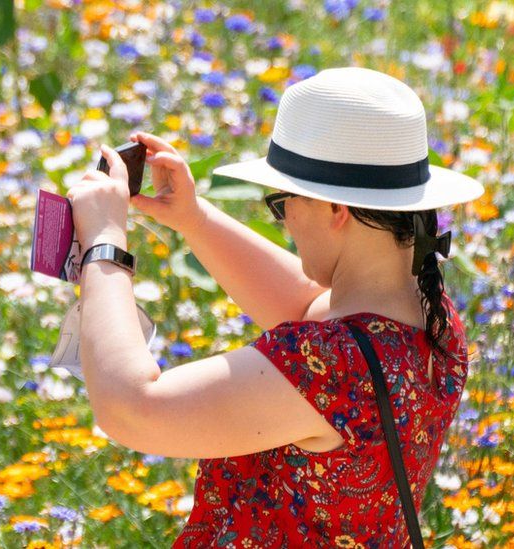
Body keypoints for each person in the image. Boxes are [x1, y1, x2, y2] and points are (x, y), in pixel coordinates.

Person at [65, 66, 483, 547]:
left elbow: (132, 409)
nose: (284, 222)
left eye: (283, 204)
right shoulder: (430, 314)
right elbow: (308, 305)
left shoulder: (330, 365)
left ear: (336, 211)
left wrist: (104, 241)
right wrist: (194, 219)